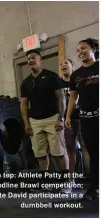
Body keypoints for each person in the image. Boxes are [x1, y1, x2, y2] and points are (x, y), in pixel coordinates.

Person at [20, 50, 70, 193]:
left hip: (53, 119)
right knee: (40, 154)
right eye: (28, 59)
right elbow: (23, 104)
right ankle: (45, 183)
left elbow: (62, 98)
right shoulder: (26, 83)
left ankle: (66, 183)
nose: (30, 60)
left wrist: (61, 118)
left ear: (40, 60)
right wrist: (26, 123)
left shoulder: (52, 76)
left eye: (33, 58)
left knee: (59, 152)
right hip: (35, 121)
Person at [65, 38, 99, 200]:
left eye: (83, 48)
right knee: (93, 153)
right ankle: (95, 188)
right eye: (77, 50)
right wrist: (68, 115)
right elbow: (73, 98)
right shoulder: (76, 75)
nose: (80, 52)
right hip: (86, 120)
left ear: (93, 49)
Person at [60, 59, 90, 184]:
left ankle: (93, 178)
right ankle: (71, 179)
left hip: (83, 117)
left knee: (86, 147)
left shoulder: (79, 79)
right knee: (70, 149)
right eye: (61, 64)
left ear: (72, 66)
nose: (63, 65)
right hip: (68, 120)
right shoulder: (58, 83)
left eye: (66, 63)